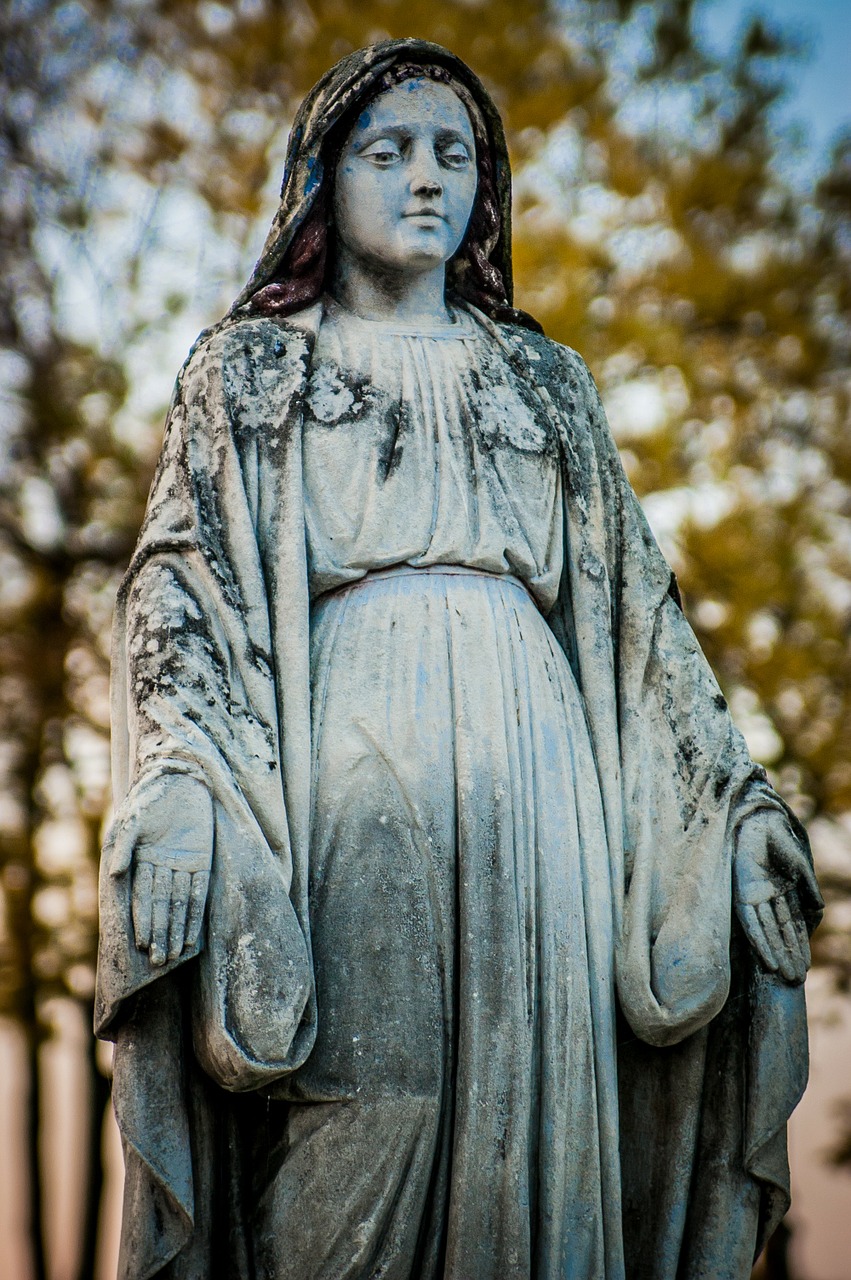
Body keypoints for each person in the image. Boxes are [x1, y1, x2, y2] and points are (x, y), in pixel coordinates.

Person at [96, 38, 822, 1280]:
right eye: (389, 151)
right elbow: (181, 590)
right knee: (363, 1113)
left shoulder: (544, 383)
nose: (428, 179)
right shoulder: (253, 370)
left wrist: (734, 804)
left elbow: (642, 621)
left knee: (543, 1121)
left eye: (456, 155)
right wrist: (175, 785)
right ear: (324, 178)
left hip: (549, 797)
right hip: (350, 778)